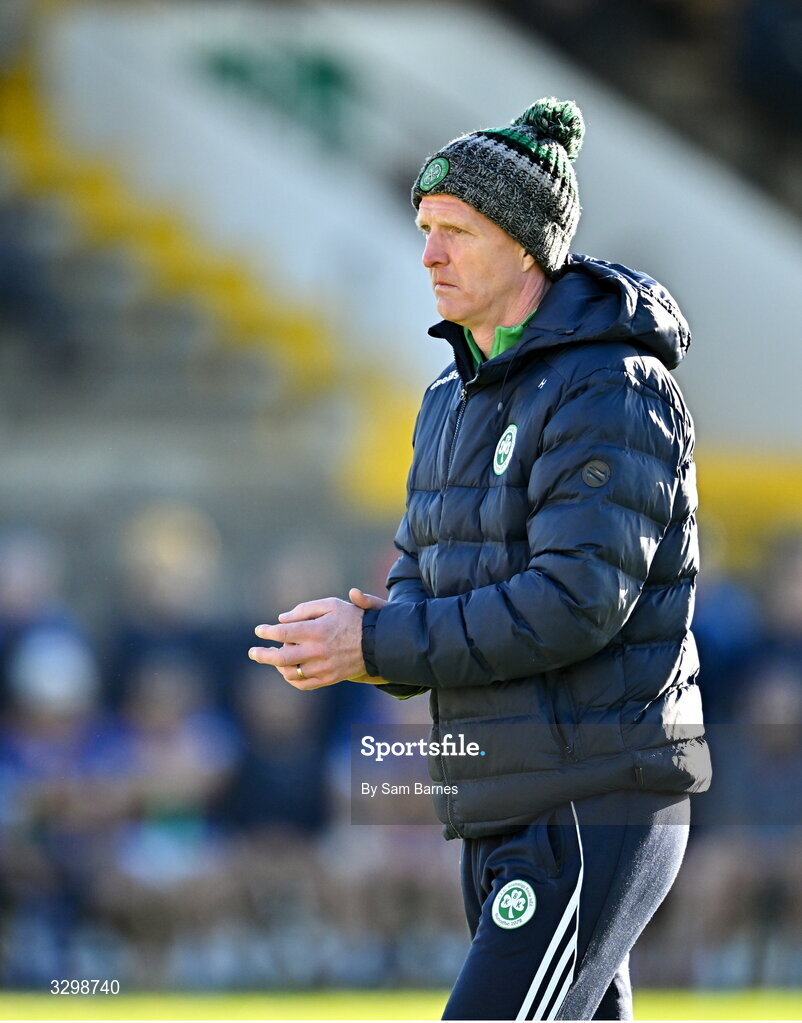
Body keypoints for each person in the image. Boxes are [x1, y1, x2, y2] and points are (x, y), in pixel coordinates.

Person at [249, 97, 711, 1021]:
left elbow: (577, 601)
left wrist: (379, 645)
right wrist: (368, 633)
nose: (428, 254)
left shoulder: (612, 386)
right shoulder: (446, 401)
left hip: (592, 799)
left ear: (527, 245)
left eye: (454, 230)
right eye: (424, 229)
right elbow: (423, 576)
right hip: (501, 797)